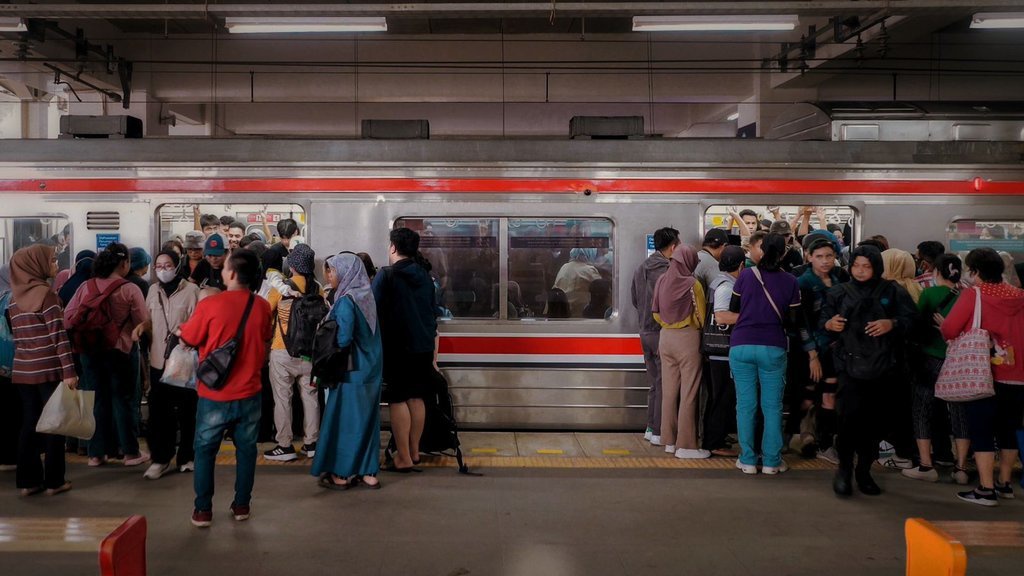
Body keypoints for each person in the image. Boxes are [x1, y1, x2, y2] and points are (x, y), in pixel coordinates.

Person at [177, 250, 272, 527]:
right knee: (247, 451)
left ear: (231, 273)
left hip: (214, 394)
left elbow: (191, 336)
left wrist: (182, 332)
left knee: (205, 451)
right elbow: (264, 340)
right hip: (251, 392)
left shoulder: (211, 305)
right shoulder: (262, 305)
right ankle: (242, 506)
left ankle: (203, 510)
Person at [823, 245, 916, 497]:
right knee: (847, 421)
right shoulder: (838, 293)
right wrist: (829, 323)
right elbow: (822, 322)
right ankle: (844, 469)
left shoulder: (893, 292)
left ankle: (864, 471)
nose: (861, 271)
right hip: (848, 369)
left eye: (867, 266)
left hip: (884, 370)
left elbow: (912, 322)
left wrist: (892, 323)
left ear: (877, 267)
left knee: (874, 424)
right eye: (856, 266)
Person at [941, 248, 1024, 507]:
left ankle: (986, 489)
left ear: (975, 271)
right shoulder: (1020, 296)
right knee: (1009, 427)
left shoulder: (973, 294)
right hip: (1018, 373)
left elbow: (950, 328)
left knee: (982, 429)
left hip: (984, 373)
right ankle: (1005, 483)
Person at [64, 243, 150, 468]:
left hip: (90, 352)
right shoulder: (130, 288)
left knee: (97, 400)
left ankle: (96, 454)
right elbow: (143, 321)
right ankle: (130, 453)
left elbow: (68, 317)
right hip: (121, 351)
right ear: (124, 264)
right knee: (124, 400)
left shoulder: (86, 285)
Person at [729, 233, 802, 475]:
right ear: (783, 253)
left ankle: (748, 460)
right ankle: (771, 461)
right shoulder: (791, 281)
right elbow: (793, 322)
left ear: (760, 251)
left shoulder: (747, 276)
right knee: (772, 407)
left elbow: (733, 308)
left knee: (745, 406)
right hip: (773, 346)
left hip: (741, 345)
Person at [7, 245, 77, 496]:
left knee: (29, 425)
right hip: (48, 369)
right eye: (53, 260)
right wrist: (69, 371)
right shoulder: (46, 295)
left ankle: (28, 482)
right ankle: (55, 481)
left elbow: (18, 337)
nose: (56, 264)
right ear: (36, 264)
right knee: (54, 425)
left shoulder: (13, 299)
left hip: (23, 371)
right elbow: (58, 336)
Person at [312, 253, 384, 490]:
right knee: (367, 421)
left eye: (332, 270)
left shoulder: (346, 301)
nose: (330, 275)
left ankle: (342, 474)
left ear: (345, 272)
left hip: (352, 371)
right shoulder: (367, 296)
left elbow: (343, 339)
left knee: (346, 421)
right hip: (372, 369)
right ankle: (369, 472)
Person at [373, 228, 438, 471]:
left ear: (393, 247)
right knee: (417, 397)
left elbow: (373, 312)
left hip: (396, 348)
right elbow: (433, 312)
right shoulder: (424, 275)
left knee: (398, 399)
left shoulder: (386, 275)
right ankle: (414, 451)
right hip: (422, 346)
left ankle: (403, 457)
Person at [134, 250, 200, 479]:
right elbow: (148, 318)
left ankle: (187, 456)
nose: (163, 269)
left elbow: (199, 322)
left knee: (187, 410)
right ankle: (160, 458)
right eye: (159, 266)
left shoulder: (192, 291)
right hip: (158, 360)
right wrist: (142, 327)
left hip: (182, 360)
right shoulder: (152, 290)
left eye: (168, 265)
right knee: (159, 412)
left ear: (177, 265)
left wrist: (187, 336)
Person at [903, 254, 969, 484]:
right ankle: (960, 467)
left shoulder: (930, 294)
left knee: (922, 408)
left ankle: (925, 465)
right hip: (959, 360)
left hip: (931, 357)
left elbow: (917, 323)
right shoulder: (968, 295)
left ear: (937, 272)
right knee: (959, 411)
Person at [263, 244, 323, 462]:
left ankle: (285, 445)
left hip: (282, 351)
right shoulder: (317, 288)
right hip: (310, 353)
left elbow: (264, 313)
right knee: (311, 398)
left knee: (282, 399)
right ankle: (312, 443)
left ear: (293, 265)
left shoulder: (281, 288)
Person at [651, 245, 709, 459]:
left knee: (669, 391)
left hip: (665, 337)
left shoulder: (662, 280)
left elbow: (655, 312)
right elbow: (702, 316)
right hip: (687, 338)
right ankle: (687, 445)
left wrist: (669, 324)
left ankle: (669, 440)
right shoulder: (692, 284)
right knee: (690, 392)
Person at [797, 238, 844, 464]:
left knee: (828, 397)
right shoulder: (803, 283)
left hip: (834, 350)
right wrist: (812, 355)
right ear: (808, 257)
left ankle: (823, 443)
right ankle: (799, 437)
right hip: (812, 351)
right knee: (807, 397)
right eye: (819, 257)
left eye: (829, 256)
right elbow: (802, 323)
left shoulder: (838, 280)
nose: (825, 261)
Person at [631, 227, 678, 445]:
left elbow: (634, 298)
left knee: (654, 383)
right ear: (673, 246)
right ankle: (659, 431)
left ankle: (651, 427)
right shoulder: (668, 270)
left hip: (644, 331)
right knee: (663, 384)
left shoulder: (642, 268)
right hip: (660, 332)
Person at [703, 245, 745, 457]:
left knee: (719, 397)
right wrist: (751, 317)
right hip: (722, 351)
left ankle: (716, 438)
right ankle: (714, 442)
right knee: (722, 397)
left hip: (719, 351)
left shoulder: (719, 281)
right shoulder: (726, 286)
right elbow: (721, 316)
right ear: (741, 265)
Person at [553, 248, 602, 318]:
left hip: (560, 311)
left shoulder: (564, 267)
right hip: (578, 314)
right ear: (588, 254)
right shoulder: (589, 270)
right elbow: (603, 290)